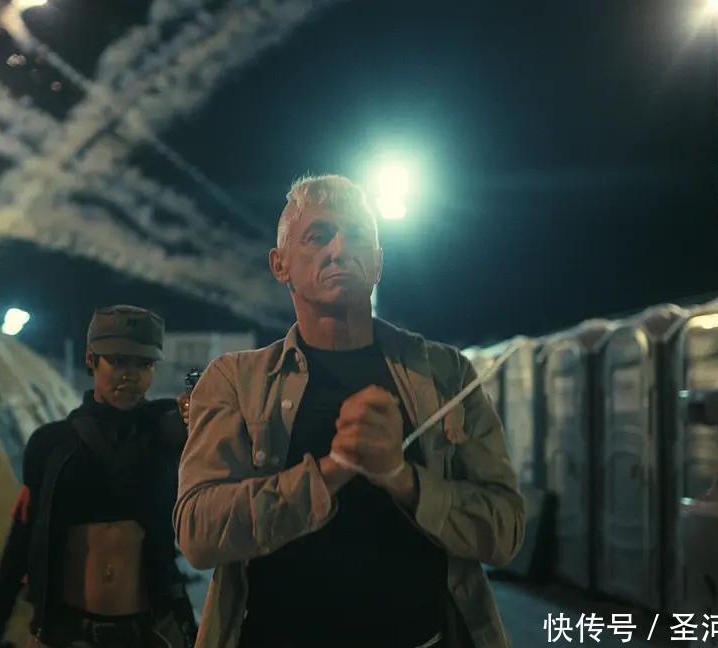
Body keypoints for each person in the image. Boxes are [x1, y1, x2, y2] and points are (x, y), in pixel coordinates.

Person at [174, 175, 525, 648]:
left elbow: (505, 532)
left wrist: (402, 477)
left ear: (377, 263)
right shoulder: (236, 380)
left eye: (356, 235)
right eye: (317, 236)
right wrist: (333, 470)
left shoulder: (445, 375)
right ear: (280, 264)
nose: (339, 249)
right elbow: (198, 534)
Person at [0, 305, 197, 648]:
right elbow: (20, 544)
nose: (132, 375)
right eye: (119, 361)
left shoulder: (163, 433)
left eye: (144, 364)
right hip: (66, 635)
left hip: (148, 631)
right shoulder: (51, 444)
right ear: (91, 359)